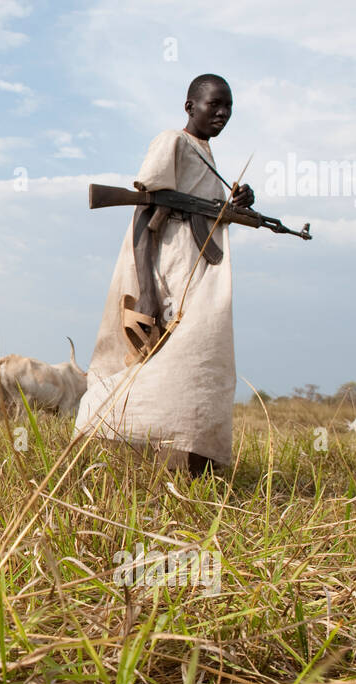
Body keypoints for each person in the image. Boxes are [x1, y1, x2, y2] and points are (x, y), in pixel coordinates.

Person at [75, 74, 253, 475]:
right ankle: (111, 441)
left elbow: (204, 212)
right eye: (214, 105)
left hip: (200, 274)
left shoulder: (205, 152)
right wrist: (147, 290)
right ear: (190, 106)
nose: (222, 113)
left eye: (229, 108)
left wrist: (237, 203)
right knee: (159, 361)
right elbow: (144, 209)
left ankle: (191, 465)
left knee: (202, 366)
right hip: (169, 270)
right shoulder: (171, 141)